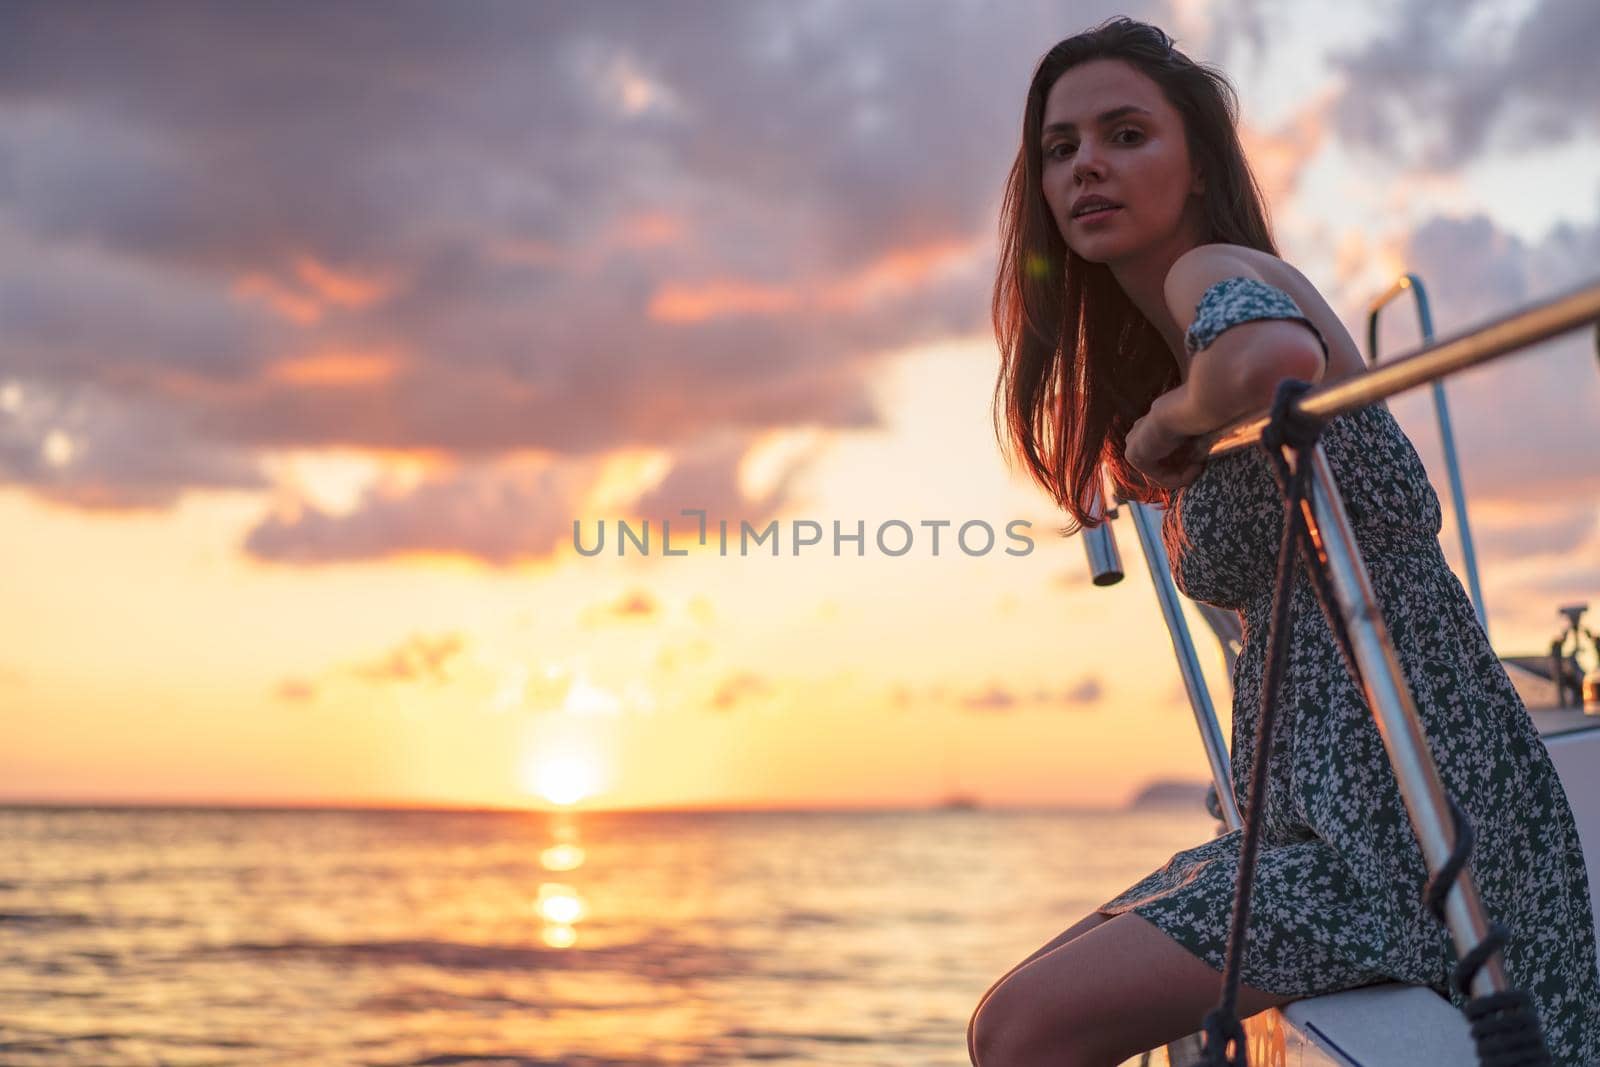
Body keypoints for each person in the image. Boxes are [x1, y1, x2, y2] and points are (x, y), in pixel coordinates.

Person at [970, 16, 1600, 1067]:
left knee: (1028, 1030)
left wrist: (1167, 425)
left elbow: (1271, 360)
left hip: (1412, 830)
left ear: (1197, 163)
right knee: (1003, 1021)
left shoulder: (1213, 271)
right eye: (1060, 146)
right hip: (1328, 820)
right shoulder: (1177, 325)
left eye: (1126, 134)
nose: (1087, 164)